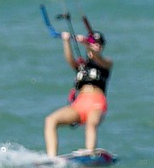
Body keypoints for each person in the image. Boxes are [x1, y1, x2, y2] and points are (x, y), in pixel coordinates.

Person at [43, 29, 112, 157]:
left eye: (99, 44)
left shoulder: (106, 63)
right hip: (80, 104)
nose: (96, 46)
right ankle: (51, 157)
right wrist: (66, 41)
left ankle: (90, 152)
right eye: (94, 43)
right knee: (50, 120)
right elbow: (69, 59)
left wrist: (86, 43)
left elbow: (97, 56)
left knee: (91, 123)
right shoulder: (82, 65)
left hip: (97, 103)